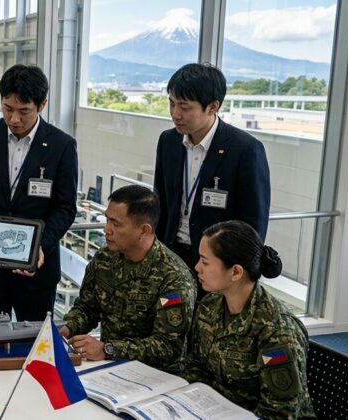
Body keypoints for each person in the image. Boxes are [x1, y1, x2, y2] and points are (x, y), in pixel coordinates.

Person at [0, 64, 78, 321]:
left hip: (36, 271)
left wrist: (39, 246)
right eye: (7, 109)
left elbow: (65, 207)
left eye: (24, 111)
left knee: (34, 345)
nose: (14, 119)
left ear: (42, 105)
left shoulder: (61, 145)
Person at [153, 63, 271, 299]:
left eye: (184, 107)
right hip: (172, 258)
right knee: (171, 317)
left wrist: (237, 271)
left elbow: (253, 222)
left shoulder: (244, 150)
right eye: (172, 103)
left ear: (213, 107)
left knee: (208, 327)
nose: (175, 114)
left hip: (217, 265)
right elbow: (160, 201)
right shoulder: (168, 142)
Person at [183, 221, 314, 418]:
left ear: (236, 272)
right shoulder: (210, 305)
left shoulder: (277, 330)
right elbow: (195, 367)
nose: (197, 267)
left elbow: (279, 413)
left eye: (205, 262)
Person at [61, 185, 196, 373]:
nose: (106, 230)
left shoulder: (173, 277)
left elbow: (167, 346)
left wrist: (107, 349)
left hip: (154, 376)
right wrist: (67, 329)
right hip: (108, 368)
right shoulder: (104, 259)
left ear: (144, 230)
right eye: (107, 220)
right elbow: (88, 307)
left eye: (116, 224)